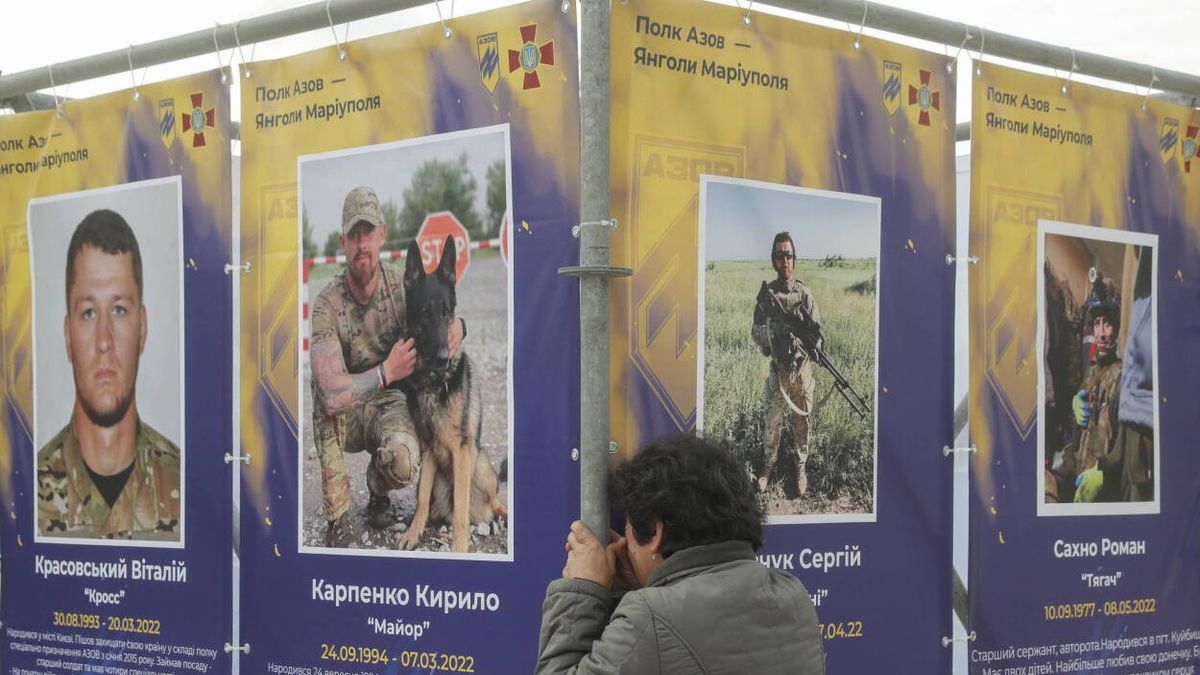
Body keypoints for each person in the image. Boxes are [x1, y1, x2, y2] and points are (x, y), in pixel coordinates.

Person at [536, 434, 825, 674]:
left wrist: (583, 591)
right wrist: (646, 586)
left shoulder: (648, 618)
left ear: (655, 531)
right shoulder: (792, 594)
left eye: (628, 529)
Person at [309, 186, 464, 547]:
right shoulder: (325, 304)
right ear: (342, 241)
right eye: (353, 236)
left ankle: (378, 487)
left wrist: (460, 327)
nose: (361, 244)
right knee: (321, 396)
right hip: (345, 413)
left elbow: (441, 311)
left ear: (381, 235)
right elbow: (331, 394)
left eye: (367, 234)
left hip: (388, 406)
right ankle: (339, 518)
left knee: (405, 462)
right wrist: (385, 373)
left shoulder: (402, 284)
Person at [37, 209, 180, 540]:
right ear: (68, 335)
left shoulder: (186, 487)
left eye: (118, 310)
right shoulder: (23, 495)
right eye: (88, 313)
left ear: (142, 328)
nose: (104, 341)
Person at [752, 231, 823, 495]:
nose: (785, 261)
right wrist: (774, 333)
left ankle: (799, 468)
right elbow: (755, 332)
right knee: (772, 424)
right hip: (778, 374)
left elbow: (818, 335)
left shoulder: (805, 294)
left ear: (795, 259)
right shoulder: (767, 296)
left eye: (789, 255)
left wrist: (811, 347)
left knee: (802, 425)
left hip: (801, 374)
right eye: (780, 255)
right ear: (773, 260)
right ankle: (767, 467)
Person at [1070, 273, 1123, 503]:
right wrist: (1074, 409)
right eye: (1096, 323)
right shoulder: (1090, 373)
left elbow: (1127, 449)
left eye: (1108, 323)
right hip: (1079, 485)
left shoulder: (1124, 377)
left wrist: (1104, 473)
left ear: (1117, 327)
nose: (1100, 333)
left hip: (1106, 493)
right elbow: (1081, 432)